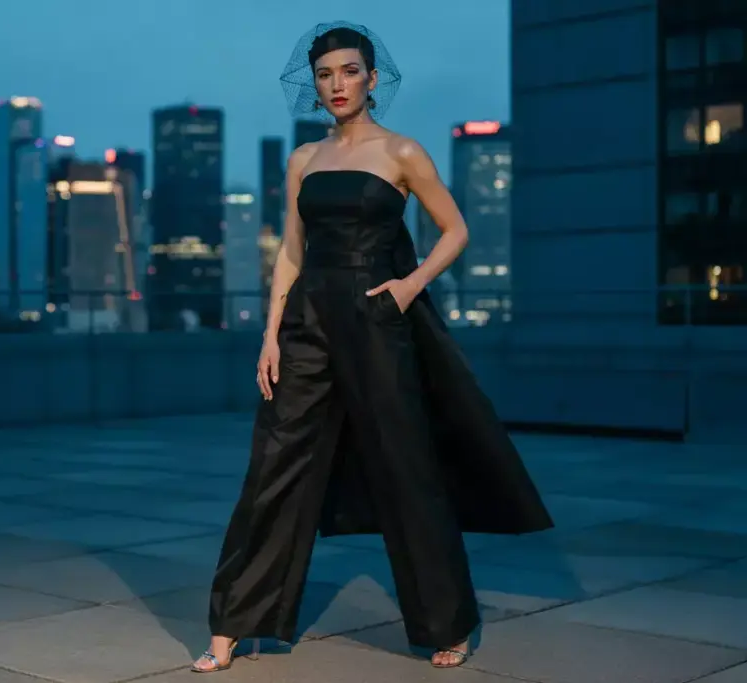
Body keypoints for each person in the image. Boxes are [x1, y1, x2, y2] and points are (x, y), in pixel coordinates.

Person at [191, 21, 553, 673]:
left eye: (349, 71)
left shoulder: (402, 152)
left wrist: (409, 287)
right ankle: (232, 626)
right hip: (307, 323)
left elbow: (456, 230)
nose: (337, 84)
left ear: (371, 78)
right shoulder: (303, 159)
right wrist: (270, 334)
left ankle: (449, 621)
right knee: (273, 465)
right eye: (325, 74)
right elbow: (292, 253)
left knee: (405, 466)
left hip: (378, 319)